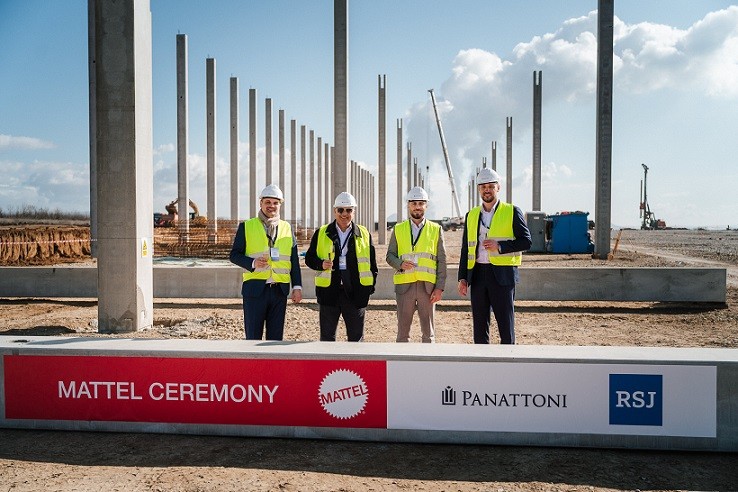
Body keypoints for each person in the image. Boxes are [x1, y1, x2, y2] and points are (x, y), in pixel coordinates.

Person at [458, 168, 531, 344]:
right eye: (483, 187)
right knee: (479, 326)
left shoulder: (512, 211)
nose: (487, 190)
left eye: (491, 186)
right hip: (477, 275)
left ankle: (509, 357)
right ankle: (481, 359)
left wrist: (500, 246)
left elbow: (526, 241)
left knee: (505, 325)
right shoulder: (471, 215)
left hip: (502, 276)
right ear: (479, 189)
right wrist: (463, 278)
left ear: (498, 187)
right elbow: (466, 248)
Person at [229, 184, 302, 340]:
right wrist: (252, 263)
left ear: (280, 205)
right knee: (253, 338)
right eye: (267, 202)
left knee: (275, 340)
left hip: (279, 291)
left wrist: (297, 287)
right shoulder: (246, 226)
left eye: (275, 203)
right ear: (261, 203)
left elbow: (294, 261)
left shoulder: (287, 228)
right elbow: (234, 255)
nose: (271, 206)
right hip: (254, 290)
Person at [304, 191, 378, 342]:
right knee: (327, 338)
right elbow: (309, 258)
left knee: (356, 338)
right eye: (341, 210)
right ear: (335, 211)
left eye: (349, 210)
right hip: (329, 292)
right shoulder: (322, 232)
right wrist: (320, 264)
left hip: (356, 293)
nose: (344, 214)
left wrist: (368, 289)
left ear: (354, 212)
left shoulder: (364, 233)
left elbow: (372, 264)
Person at [386, 186, 447, 343]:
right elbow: (389, 256)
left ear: (426, 205)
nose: (417, 207)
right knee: (402, 334)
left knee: (428, 334)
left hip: (428, 288)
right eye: (414, 203)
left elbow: (442, 261)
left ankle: (428, 358)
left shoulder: (436, 229)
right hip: (404, 287)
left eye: (421, 203)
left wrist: (439, 288)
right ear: (408, 205)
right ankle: (402, 358)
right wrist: (400, 263)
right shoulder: (398, 229)